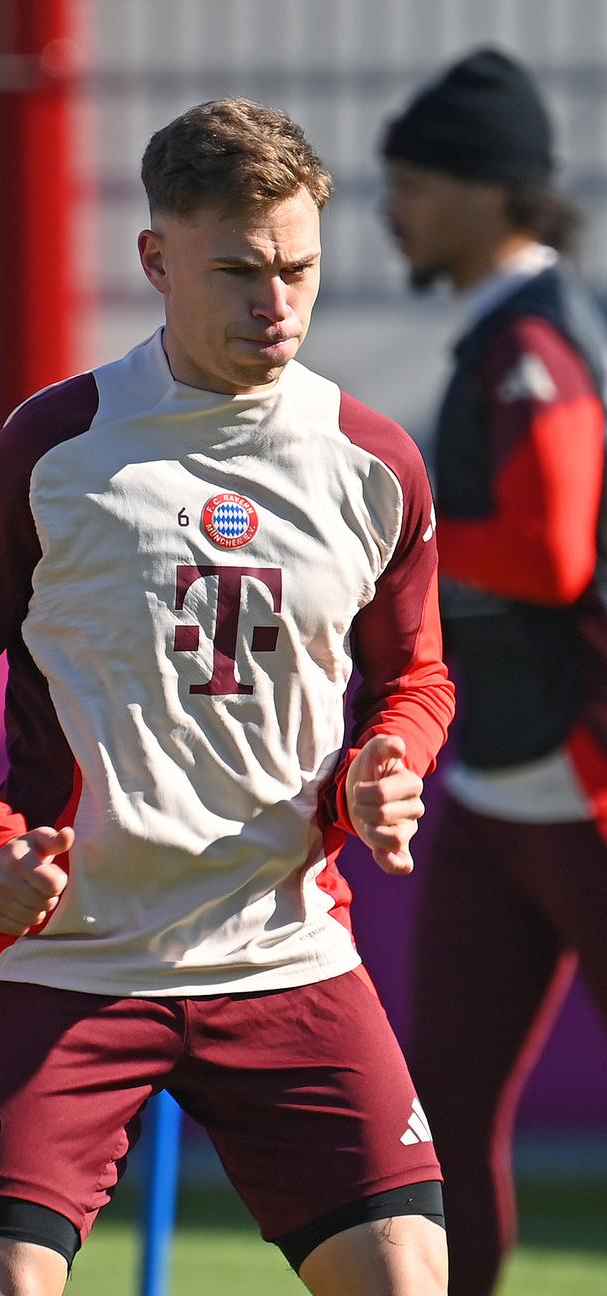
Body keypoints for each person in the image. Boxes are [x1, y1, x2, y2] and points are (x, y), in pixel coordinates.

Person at [0, 96, 455, 1296]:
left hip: (283, 951)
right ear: (156, 259)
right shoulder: (58, 448)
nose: (276, 305)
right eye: (239, 270)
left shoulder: (374, 462)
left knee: (407, 1280)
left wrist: (387, 762)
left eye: (299, 270)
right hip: (71, 959)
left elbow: (416, 675)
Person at [380, 48, 607, 1296]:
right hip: (506, 780)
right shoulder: (497, 338)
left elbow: (550, 549)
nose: (392, 209)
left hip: (585, 776)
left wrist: (392, 537)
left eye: (411, 182)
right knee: (442, 1107)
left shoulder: (536, 342)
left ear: (488, 191)